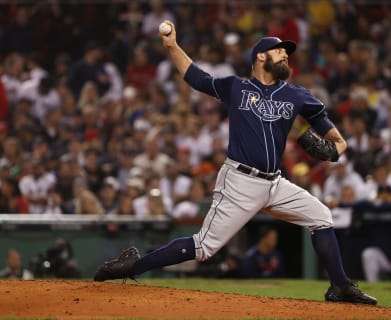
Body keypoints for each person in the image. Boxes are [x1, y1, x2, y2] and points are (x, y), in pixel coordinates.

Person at [94, 21, 376, 305]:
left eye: (286, 52)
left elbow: (330, 131)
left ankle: (340, 286)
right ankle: (133, 265)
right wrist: (172, 46)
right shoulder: (236, 87)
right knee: (203, 247)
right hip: (240, 181)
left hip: (275, 183)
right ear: (260, 57)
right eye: (279, 51)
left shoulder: (296, 95)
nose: (285, 55)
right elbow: (196, 77)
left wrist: (336, 147)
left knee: (321, 217)